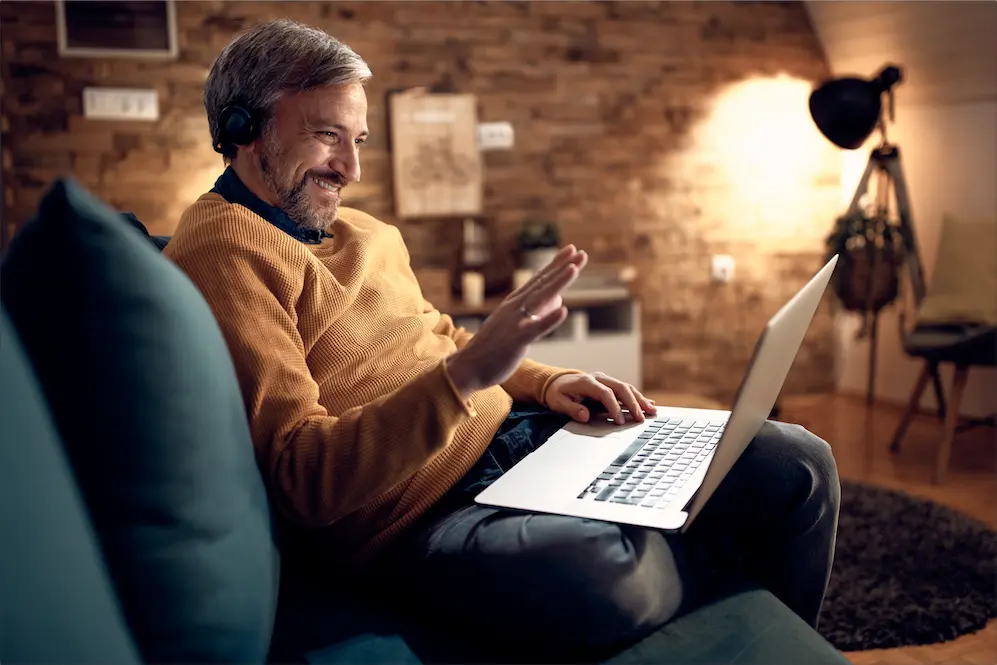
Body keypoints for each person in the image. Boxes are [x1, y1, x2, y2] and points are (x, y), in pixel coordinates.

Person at [164, 19, 840, 660]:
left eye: (358, 140)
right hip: (423, 513)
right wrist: (465, 377)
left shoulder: (362, 231)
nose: (350, 169)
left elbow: (437, 340)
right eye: (325, 136)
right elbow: (302, 477)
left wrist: (544, 380)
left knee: (797, 461)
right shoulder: (225, 252)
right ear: (243, 128)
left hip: (522, 434)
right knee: (605, 574)